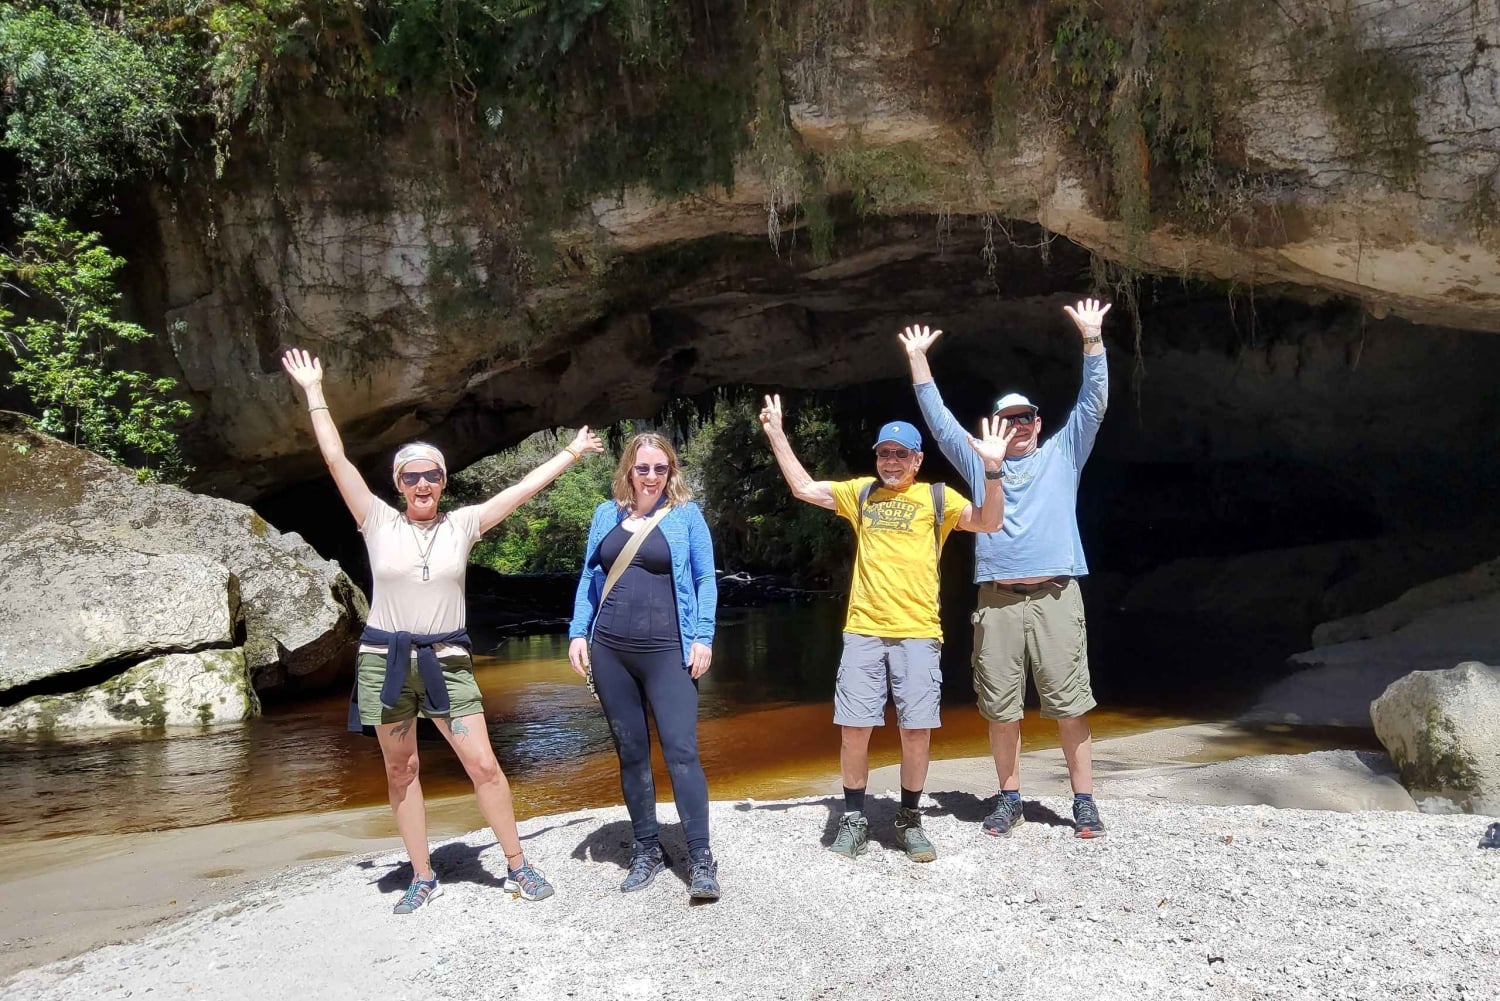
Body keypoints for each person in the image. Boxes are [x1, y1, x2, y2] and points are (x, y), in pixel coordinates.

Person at [280, 347, 604, 913]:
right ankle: (422, 875)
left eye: (431, 474)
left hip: (447, 659)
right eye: (412, 476)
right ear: (399, 484)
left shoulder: (464, 525)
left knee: (482, 763)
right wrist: (314, 393)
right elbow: (335, 459)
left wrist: (572, 453)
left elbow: (523, 488)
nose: (423, 483)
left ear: (444, 481)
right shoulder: (375, 520)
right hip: (384, 658)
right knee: (401, 768)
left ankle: (517, 865)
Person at [758, 396, 1014, 861]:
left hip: (918, 631)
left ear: (918, 459)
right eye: (883, 453)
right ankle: (853, 818)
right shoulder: (860, 494)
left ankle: (909, 819)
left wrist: (993, 470)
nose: (890, 461)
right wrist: (776, 433)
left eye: (900, 453)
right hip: (864, 630)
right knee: (854, 728)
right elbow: (803, 488)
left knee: (916, 730)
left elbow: (991, 521)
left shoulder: (937, 497)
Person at [901, 297, 1113, 840]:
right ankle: (1009, 798)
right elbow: (939, 422)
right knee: (1000, 706)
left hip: (1055, 595)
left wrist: (1092, 339)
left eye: (1026, 418)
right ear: (995, 426)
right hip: (996, 599)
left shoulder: (1063, 453)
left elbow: (1093, 404)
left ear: (1039, 423)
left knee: (1069, 703)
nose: (1018, 426)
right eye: (1008, 419)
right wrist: (919, 360)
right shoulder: (979, 461)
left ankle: (1083, 801)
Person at [567, 432, 721, 900]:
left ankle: (700, 857)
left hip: (668, 652)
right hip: (611, 650)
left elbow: (704, 577)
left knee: (681, 752)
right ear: (628, 472)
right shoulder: (604, 515)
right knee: (631, 752)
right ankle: (647, 848)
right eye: (642, 468)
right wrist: (578, 630)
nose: (651, 477)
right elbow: (591, 575)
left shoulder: (687, 516)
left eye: (660, 468)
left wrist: (703, 637)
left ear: (670, 471)